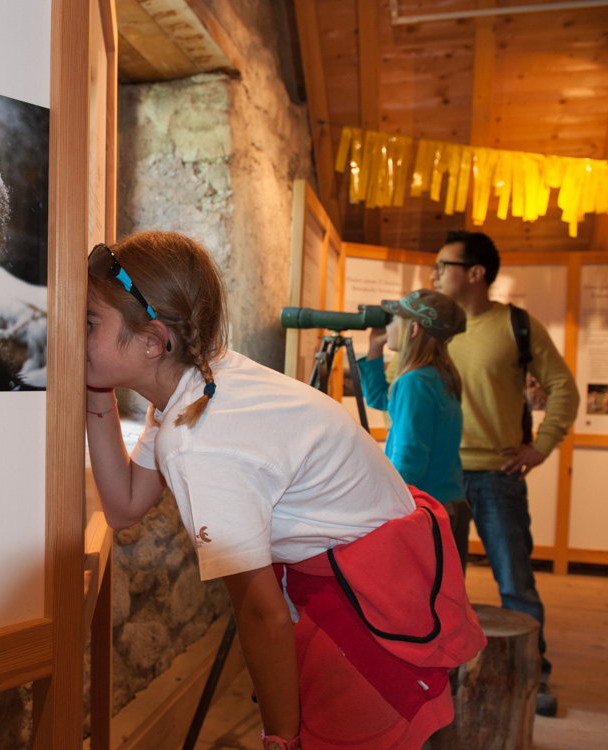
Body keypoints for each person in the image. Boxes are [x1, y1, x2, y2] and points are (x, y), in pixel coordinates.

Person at [86, 230, 485, 750]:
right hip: (374, 596)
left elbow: (261, 614)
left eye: (91, 323)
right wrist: (95, 390)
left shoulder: (201, 439)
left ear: (152, 340)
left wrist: (281, 737)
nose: (75, 333)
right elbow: (123, 504)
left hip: (364, 628)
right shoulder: (204, 383)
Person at [432, 230, 580, 717]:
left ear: (474, 273)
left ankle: (532, 678)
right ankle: (440, 678)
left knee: (514, 582)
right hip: (443, 477)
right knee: (439, 584)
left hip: (498, 477)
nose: (435, 274)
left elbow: (563, 388)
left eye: (443, 265)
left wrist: (541, 448)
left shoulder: (517, 324)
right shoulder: (435, 326)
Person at [356, 289, 472, 572]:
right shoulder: (440, 375)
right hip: (449, 503)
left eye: (395, 320)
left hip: (425, 510)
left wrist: (388, 510)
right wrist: (374, 350)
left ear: (414, 329)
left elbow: (409, 456)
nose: (387, 326)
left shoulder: (414, 382)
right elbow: (381, 399)